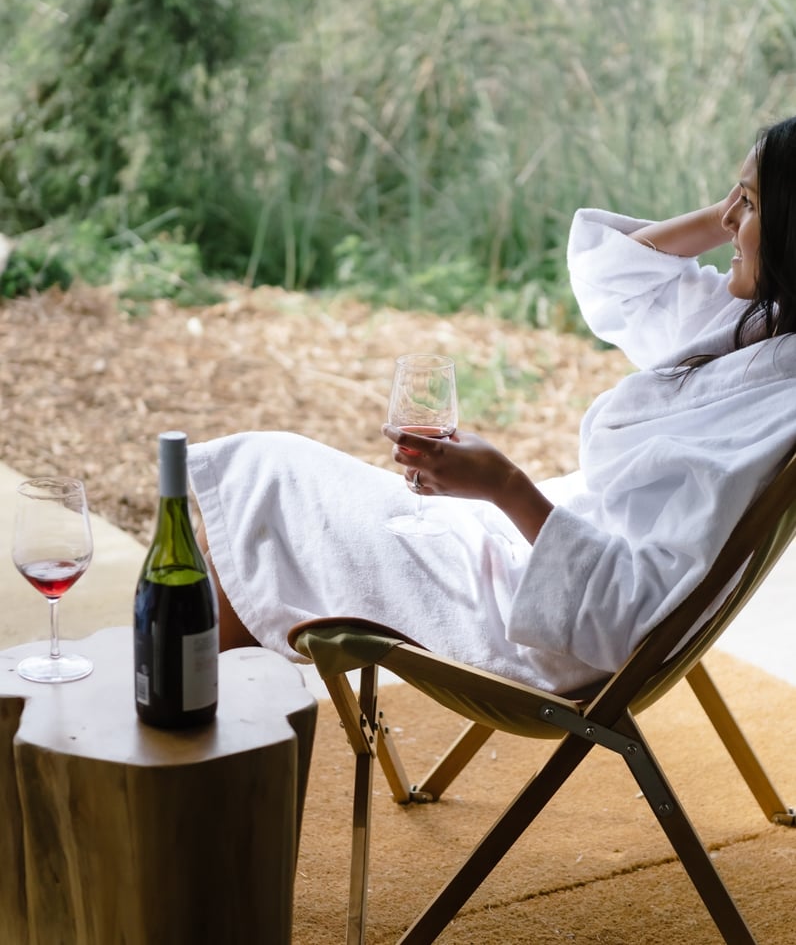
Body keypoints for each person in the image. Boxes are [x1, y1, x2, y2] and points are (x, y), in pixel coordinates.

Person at [188, 116, 796, 696]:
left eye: (749, 207)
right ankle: (204, 732)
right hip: (550, 557)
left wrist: (503, 485)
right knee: (254, 501)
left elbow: (624, 616)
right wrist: (742, 210)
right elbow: (617, 276)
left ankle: (188, 738)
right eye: (732, 199)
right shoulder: (765, 332)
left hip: (542, 615)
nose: (727, 217)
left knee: (264, 478)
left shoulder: (773, 406)